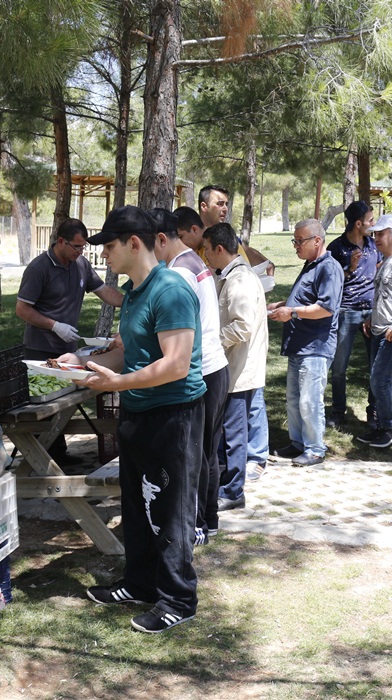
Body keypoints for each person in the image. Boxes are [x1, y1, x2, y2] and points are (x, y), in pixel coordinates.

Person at [76, 205, 206, 634]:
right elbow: (131, 356)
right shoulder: (134, 292)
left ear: (134, 243)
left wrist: (116, 383)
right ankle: (140, 584)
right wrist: (82, 366)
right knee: (136, 504)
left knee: (170, 510)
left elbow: (176, 365)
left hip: (173, 416)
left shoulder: (171, 290)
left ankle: (178, 599)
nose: (103, 255)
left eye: (108, 246)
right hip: (137, 411)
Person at [150, 208, 229, 546]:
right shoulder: (194, 260)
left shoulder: (179, 271)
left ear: (161, 240)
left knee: (195, 454)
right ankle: (209, 519)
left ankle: (198, 523)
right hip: (216, 367)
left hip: (202, 370)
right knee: (207, 451)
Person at [15, 219, 124, 465]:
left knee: (64, 404)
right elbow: (22, 309)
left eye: (83, 247)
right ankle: (42, 462)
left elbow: (104, 292)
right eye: (76, 246)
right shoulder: (39, 268)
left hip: (68, 349)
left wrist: (133, 302)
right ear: (61, 241)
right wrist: (55, 325)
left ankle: (58, 455)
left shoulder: (81, 264)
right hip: (40, 347)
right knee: (46, 405)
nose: (80, 251)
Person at [202, 223, 269, 511]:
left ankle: (233, 491)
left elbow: (242, 326)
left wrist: (209, 342)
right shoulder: (230, 276)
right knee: (228, 432)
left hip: (239, 370)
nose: (205, 255)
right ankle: (225, 484)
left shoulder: (240, 279)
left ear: (220, 249)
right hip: (233, 368)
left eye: (207, 250)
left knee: (234, 434)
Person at [268, 219, 344, 467]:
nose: (296, 246)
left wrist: (291, 312)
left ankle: (315, 449)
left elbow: (325, 308)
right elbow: (305, 299)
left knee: (310, 401)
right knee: (294, 400)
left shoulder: (329, 268)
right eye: (295, 241)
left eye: (300, 241)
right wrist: (281, 305)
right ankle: (298, 443)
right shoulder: (311, 264)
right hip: (299, 345)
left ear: (317, 241)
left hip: (315, 347)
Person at [326, 200, 378, 429]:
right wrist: (350, 269)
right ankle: (338, 411)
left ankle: (374, 411)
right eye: (370, 220)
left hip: (372, 312)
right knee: (339, 366)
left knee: (376, 365)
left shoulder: (373, 245)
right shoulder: (336, 248)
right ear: (358, 223)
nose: (373, 224)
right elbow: (330, 281)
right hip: (346, 311)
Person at [358, 214, 392, 448]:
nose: (376, 238)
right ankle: (381, 425)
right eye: (375, 234)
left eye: (381, 234)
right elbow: (383, 296)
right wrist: (371, 317)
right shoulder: (387, 260)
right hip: (379, 329)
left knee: (379, 378)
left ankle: (388, 427)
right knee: (378, 379)